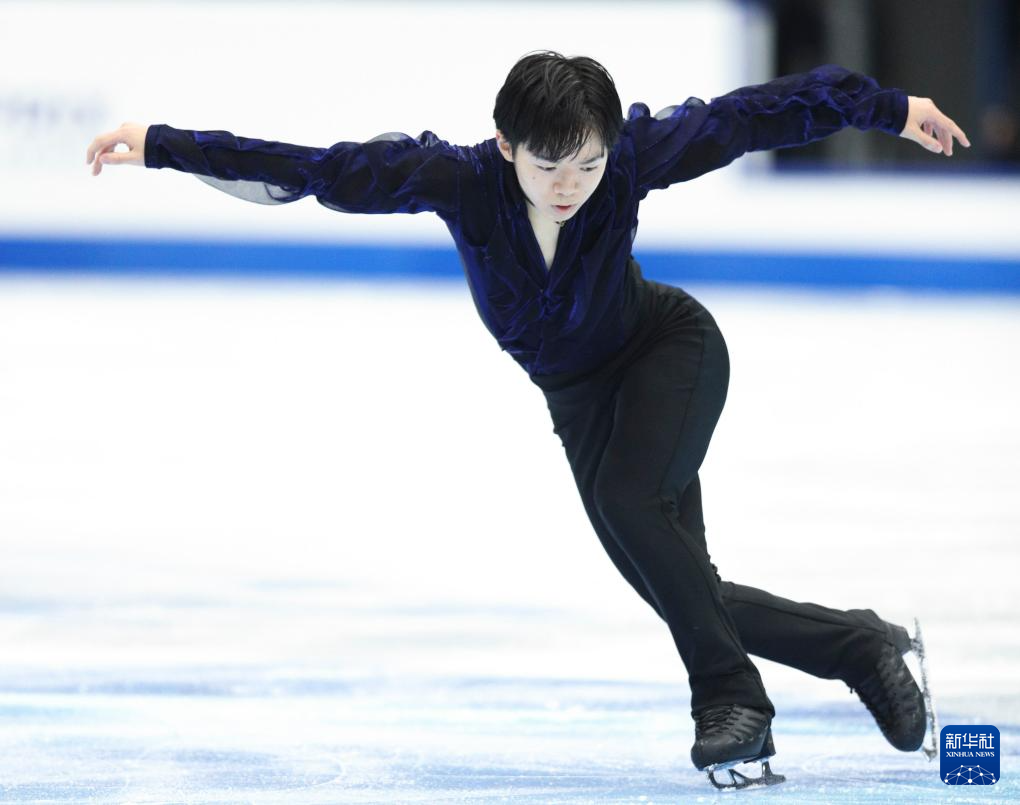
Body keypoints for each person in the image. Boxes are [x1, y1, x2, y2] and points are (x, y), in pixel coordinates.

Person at [86, 51, 969, 790]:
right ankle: (859, 647)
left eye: (586, 164)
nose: (569, 185)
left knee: (632, 509)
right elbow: (315, 169)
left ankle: (731, 704)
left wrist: (890, 110)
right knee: (677, 584)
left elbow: (751, 116)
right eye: (547, 166)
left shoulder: (630, 160)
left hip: (668, 350)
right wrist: (162, 145)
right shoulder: (458, 180)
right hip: (578, 400)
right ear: (506, 144)